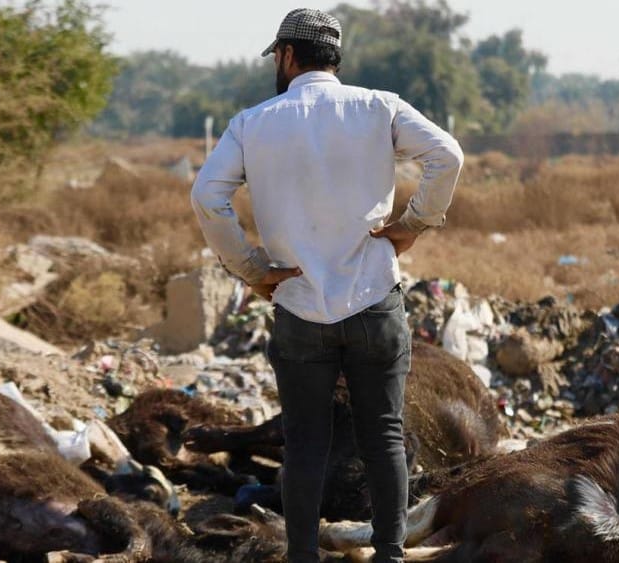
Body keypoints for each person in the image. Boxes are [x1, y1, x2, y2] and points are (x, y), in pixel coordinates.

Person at [190, 8, 463, 562]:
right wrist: (412, 226)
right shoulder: (379, 107)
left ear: (288, 56)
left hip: (297, 307)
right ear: (334, 57)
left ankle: (303, 556)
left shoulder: (252, 122)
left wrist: (250, 267)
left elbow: (207, 198)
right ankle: (389, 554)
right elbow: (447, 156)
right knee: (383, 436)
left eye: (278, 58)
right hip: (374, 304)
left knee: (306, 443)